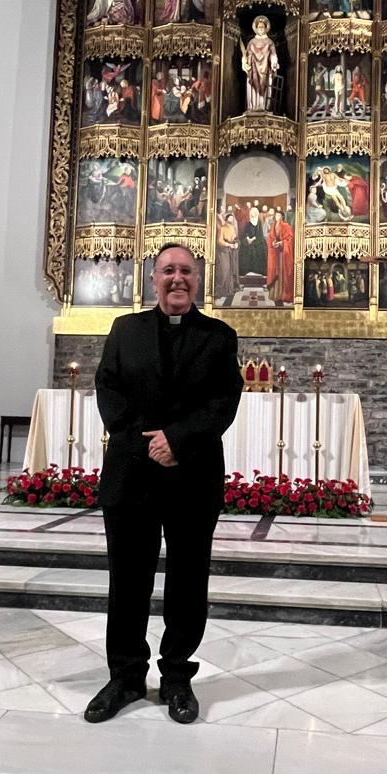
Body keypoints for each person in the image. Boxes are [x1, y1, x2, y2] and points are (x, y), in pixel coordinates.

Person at [86, 244, 242, 726]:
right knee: (128, 581)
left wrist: (177, 441)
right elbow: (108, 390)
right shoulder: (124, 330)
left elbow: (223, 401)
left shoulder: (219, 336)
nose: (178, 279)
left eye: (187, 272)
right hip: (132, 474)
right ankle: (126, 677)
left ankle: (177, 677)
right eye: (169, 271)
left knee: (188, 582)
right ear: (153, 278)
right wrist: (146, 443)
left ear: (199, 280)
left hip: (192, 476)